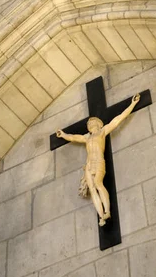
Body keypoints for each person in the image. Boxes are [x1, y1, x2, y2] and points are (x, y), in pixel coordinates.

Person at [56, 93, 141, 226]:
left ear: (98, 124)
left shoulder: (102, 132)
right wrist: (63, 135)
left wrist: (133, 104)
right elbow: (73, 137)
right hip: (89, 164)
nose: (89, 125)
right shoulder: (86, 138)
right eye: (88, 124)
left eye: (91, 123)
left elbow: (118, 119)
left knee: (98, 183)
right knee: (92, 187)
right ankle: (101, 216)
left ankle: (107, 211)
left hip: (99, 161)